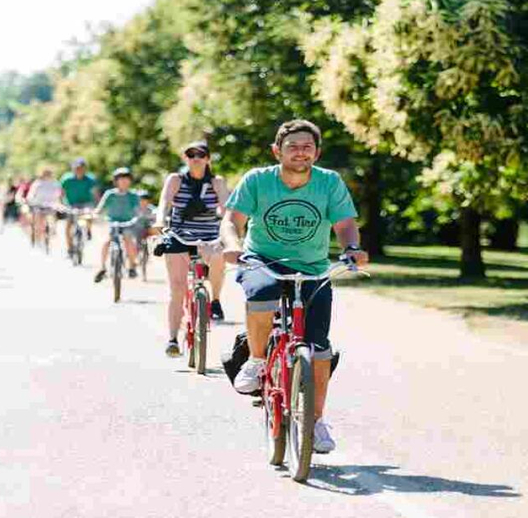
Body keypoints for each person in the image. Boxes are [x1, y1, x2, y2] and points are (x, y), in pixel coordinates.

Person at [220, 119, 369, 454]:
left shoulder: (329, 182)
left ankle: (315, 423)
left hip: (313, 269)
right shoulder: (258, 180)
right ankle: (257, 361)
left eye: (307, 147)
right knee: (262, 293)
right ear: (277, 151)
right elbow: (232, 221)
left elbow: (345, 223)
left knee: (318, 347)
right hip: (262, 260)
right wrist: (232, 244)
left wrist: (351, 249)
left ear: (316, 152)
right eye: (292, 146)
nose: (300, 152)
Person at [153, 140, 229, 357]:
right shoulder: (176, 179)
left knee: (218, 258)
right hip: (179, 235)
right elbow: (164, 203)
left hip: (208, 236)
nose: (196, 158)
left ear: (208, 159)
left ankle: (215, 300)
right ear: (185, 158)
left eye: (201, 154)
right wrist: (159, 221)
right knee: (177, 288)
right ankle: (172, 339)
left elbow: (225, 207)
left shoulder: (216, 182)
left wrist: (229, 226)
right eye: (191, 154)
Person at [93, 167, 144, 282]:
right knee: (107, 241)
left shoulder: (133, 195)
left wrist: (138, 217)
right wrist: (95, 214)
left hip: (127, 223)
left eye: (126, 179)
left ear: (130, 181)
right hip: (113, 223)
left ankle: (132, 266)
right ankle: (102, 267)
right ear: (116, 181)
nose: (124, 181)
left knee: (128, 240)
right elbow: (100, 208)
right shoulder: (110, 194)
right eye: (121, 179)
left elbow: (137, 210)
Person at [60, 157, 99, 255]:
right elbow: (61, 193)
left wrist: (96, 206)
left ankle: (88, 230)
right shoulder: (66, 179)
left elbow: (95, 193)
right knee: (68, 226)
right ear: (73, 169)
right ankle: (70, 248)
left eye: (82, 168)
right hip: (71, 203)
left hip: (86, 202)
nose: (79, 170)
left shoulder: (90, 179)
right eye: (77, 168)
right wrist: (61, 205)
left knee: (89, 215)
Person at [26, 166, 63, 244]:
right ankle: (38, 237)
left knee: (52, 218)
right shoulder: (37, 183)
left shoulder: (55, 183)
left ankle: (52, 231)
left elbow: (59, 194)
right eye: (45, 173)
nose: (47, 175)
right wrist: (30, 200)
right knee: (39, 221)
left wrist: (59, 203)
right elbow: (31, 194)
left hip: (51, 205)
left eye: (49, 173)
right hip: (39, 204)